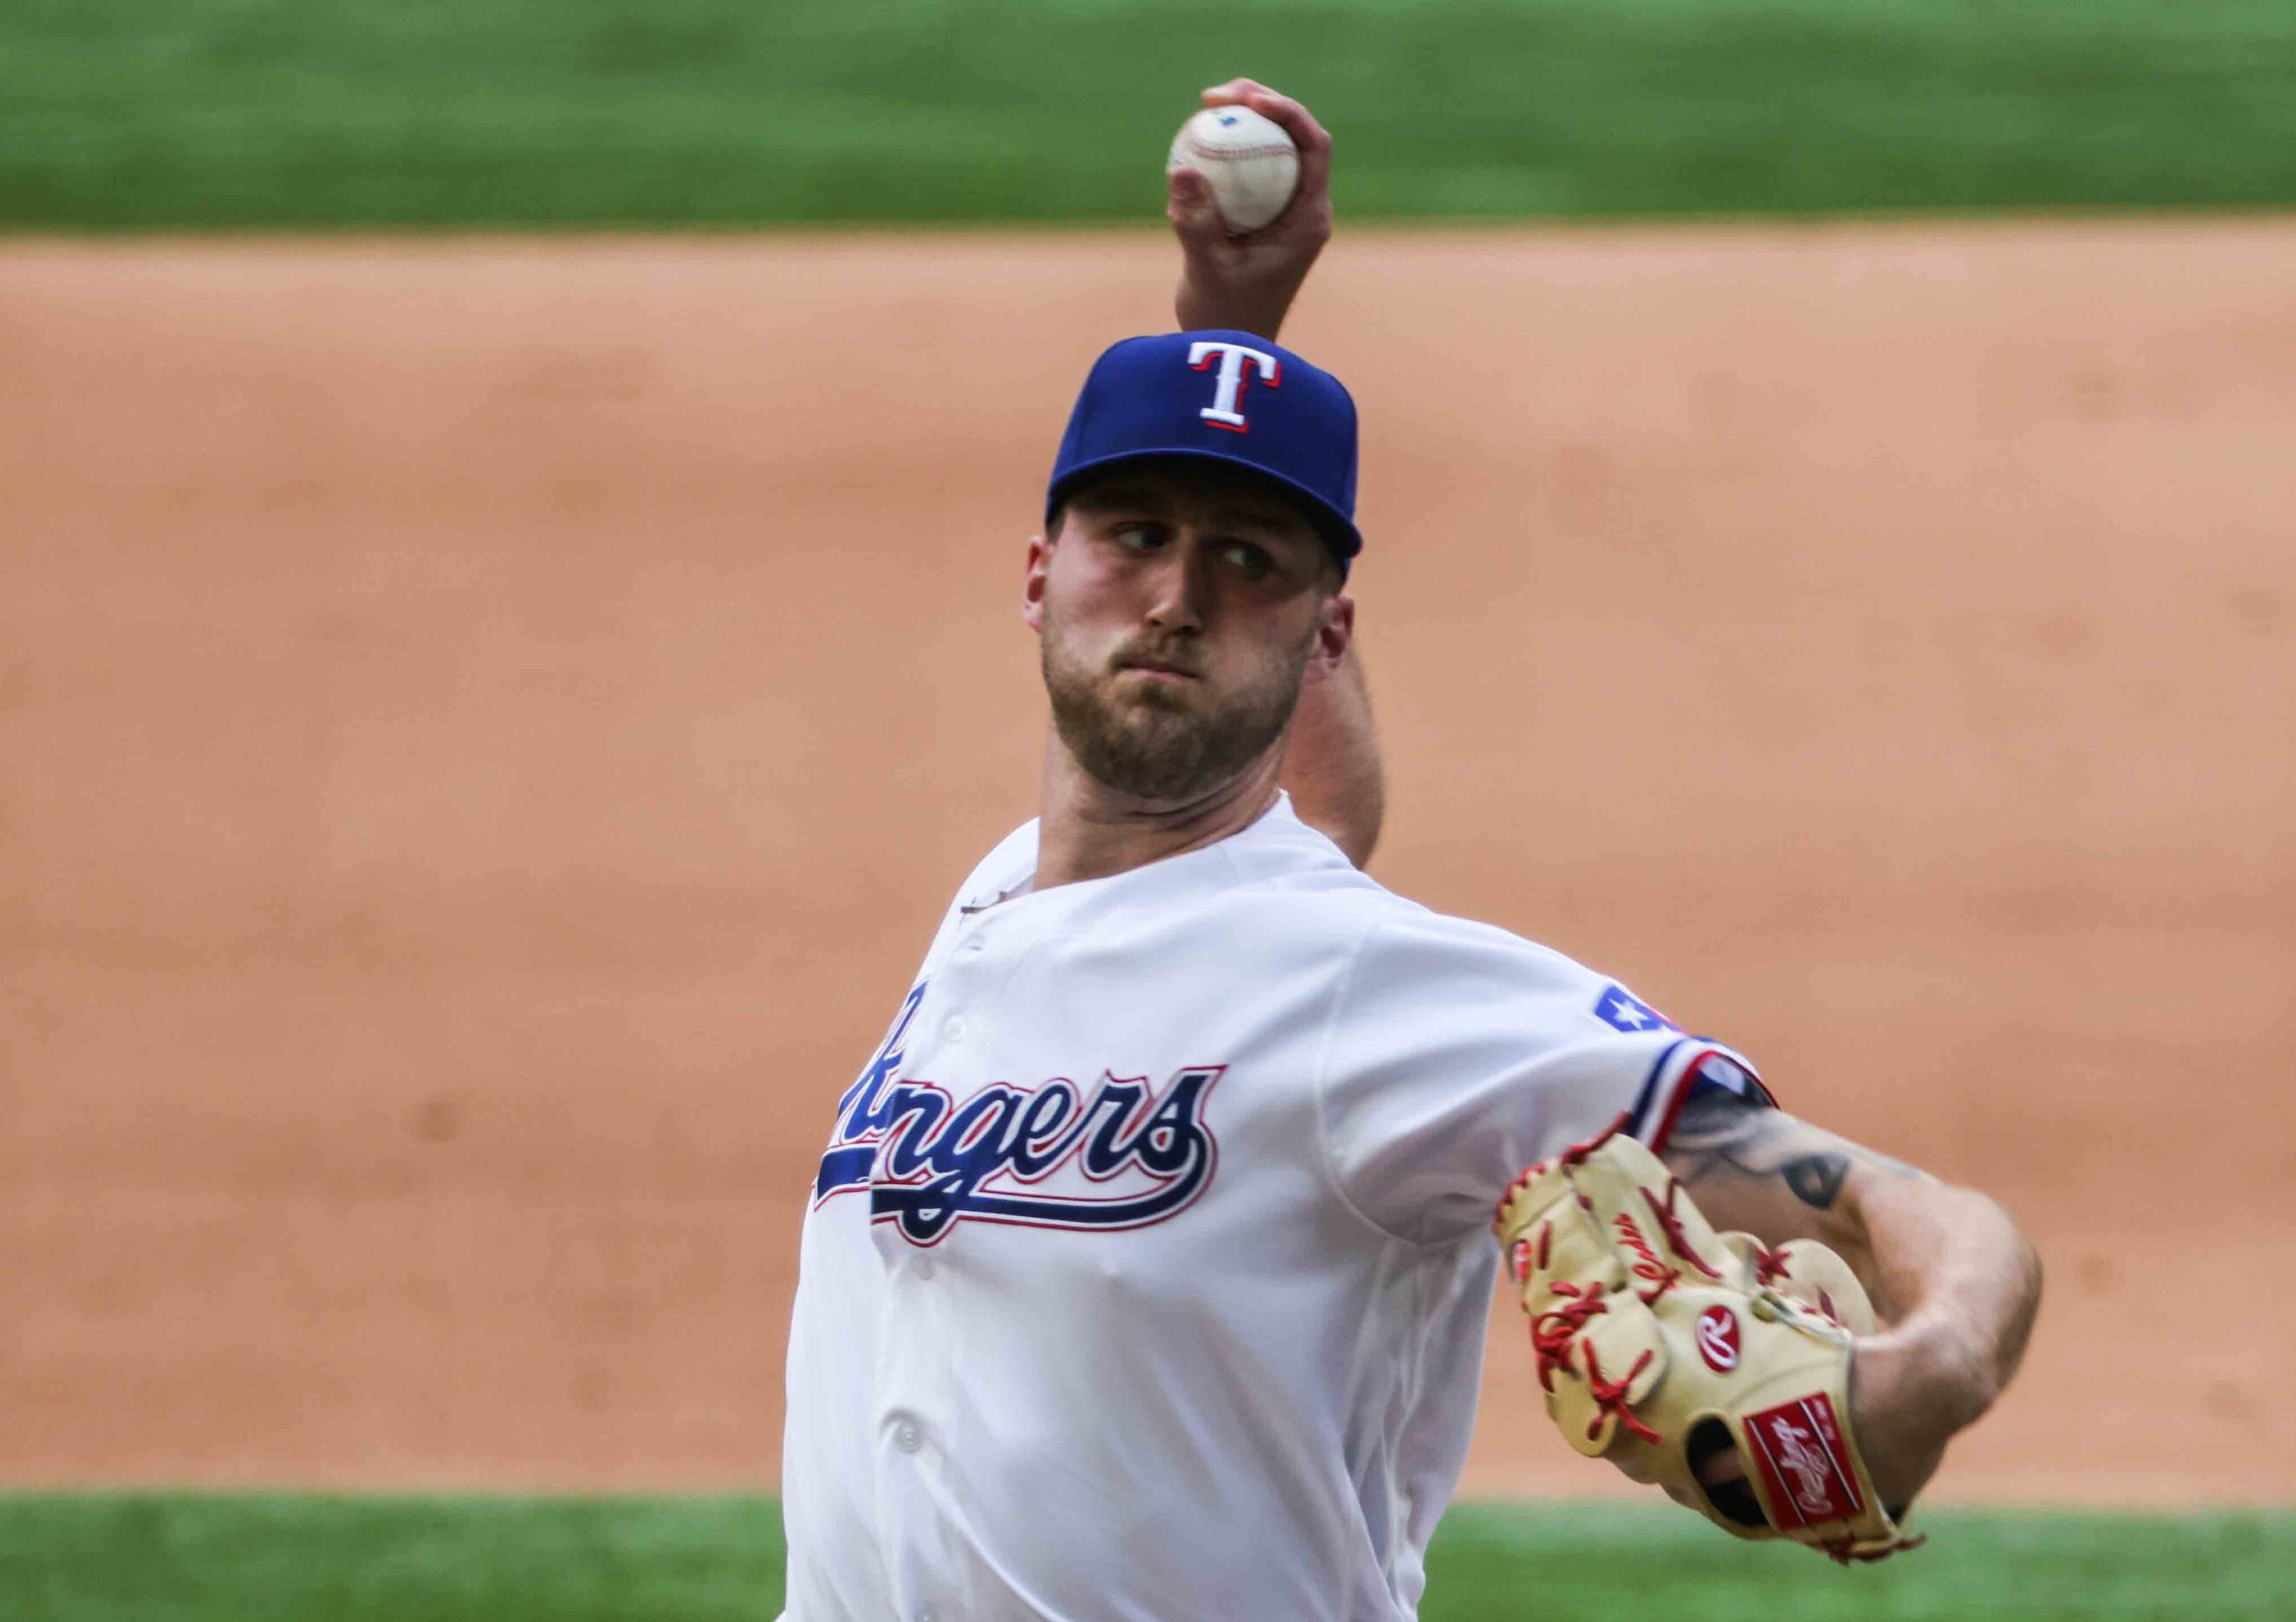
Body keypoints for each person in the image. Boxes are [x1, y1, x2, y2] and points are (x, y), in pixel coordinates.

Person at [777, 80, 2041, 1622]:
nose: (1177, 596)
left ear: (1327, 631)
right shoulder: (1002, 899)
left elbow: (1896, 1203)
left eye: (1249, 562)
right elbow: (1282, 844)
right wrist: (1229, 321)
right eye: (1137, 535)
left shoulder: (1385, 999)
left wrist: (1936, 1360)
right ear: (1041, 574)